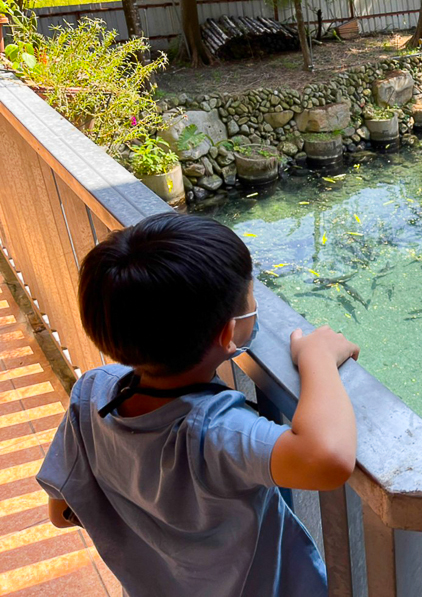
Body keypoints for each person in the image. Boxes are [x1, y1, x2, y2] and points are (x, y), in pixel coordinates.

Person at [35, 213, 359, 597]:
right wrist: (317, 357)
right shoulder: (214, 432)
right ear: (227, 332)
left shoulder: (92, 393)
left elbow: (61, 513)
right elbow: (326, 459)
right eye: (251, 296)